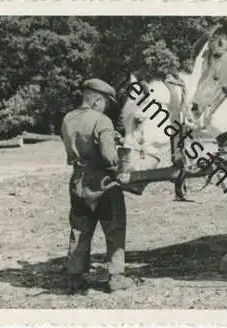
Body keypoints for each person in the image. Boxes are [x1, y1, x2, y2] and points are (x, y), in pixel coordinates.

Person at [60, 78, 133, 294]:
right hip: (103, 183)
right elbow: (109, 157)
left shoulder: (68, 119)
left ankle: (74, 277)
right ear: (97, 100)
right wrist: (119, 168)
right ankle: (116, 277)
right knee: (114, 228)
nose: (106, 108)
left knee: (80, 229)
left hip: (78, 180)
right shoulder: (101, 121)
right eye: (105, 104)